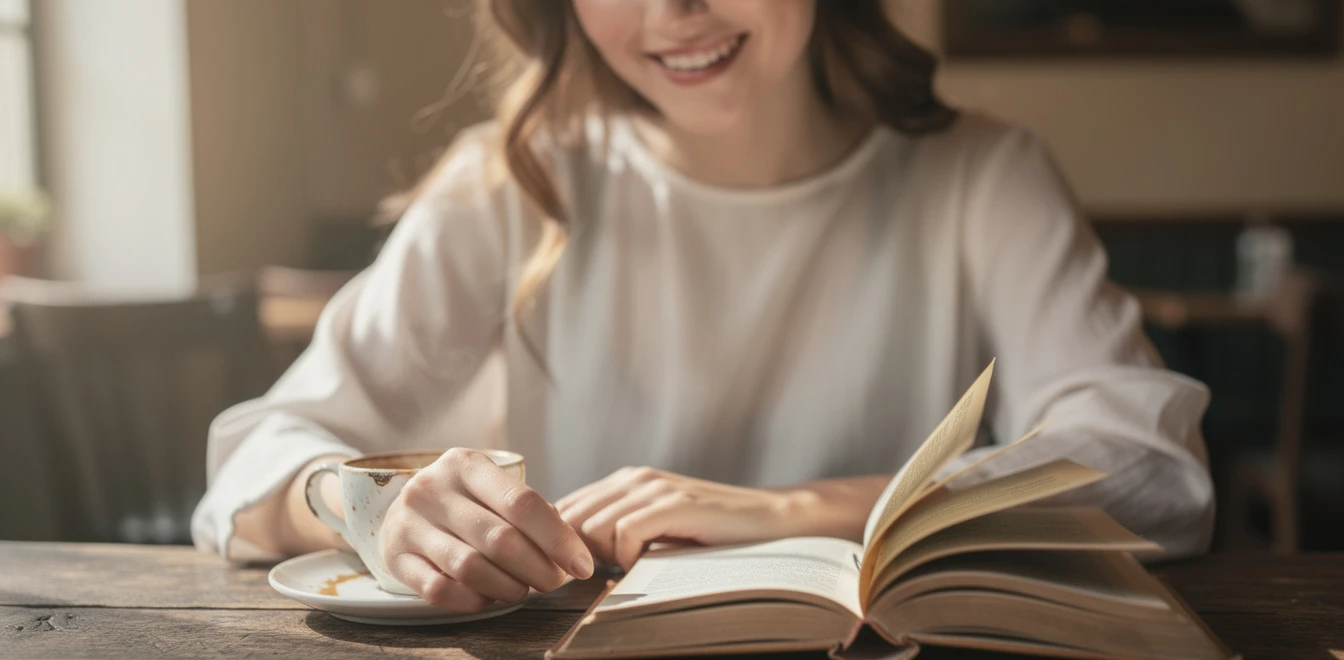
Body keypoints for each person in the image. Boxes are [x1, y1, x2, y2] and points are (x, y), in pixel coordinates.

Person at [193, 0, 1214, 613]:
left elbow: (1151, 472)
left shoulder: (982, 177)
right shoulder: (510, 185)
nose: (674, 8)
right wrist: (366, 506)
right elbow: (255, 459)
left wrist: (795, 511)